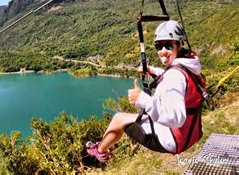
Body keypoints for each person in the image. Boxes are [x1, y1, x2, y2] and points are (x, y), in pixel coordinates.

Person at [86, 21, 204, 162]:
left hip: (172, 140)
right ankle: (101, 147)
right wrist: (153, 71)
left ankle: (100, 152)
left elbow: (176, 118)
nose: (162, 51)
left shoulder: (174, 76)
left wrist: (142, 98)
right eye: (159, 46)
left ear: (179, 44)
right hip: (191, 133)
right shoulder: (189, 64)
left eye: (168, 45)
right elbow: (176, 80)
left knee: (118, 118)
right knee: (129, 118)